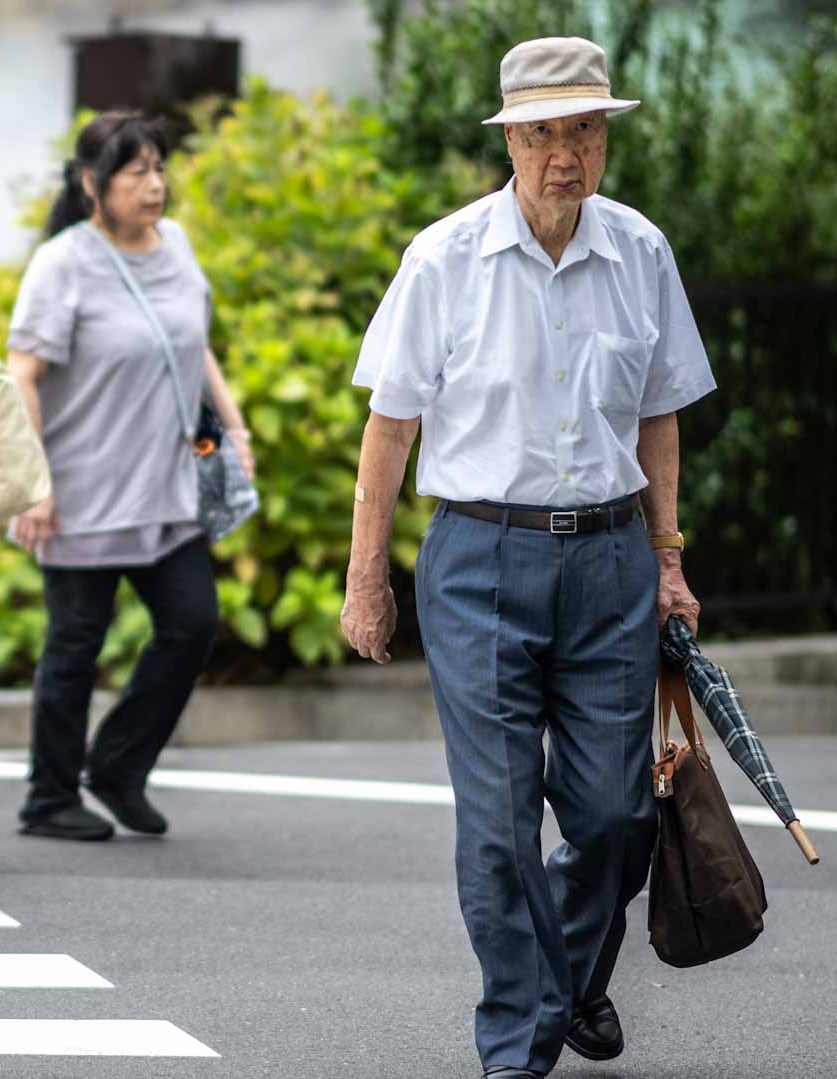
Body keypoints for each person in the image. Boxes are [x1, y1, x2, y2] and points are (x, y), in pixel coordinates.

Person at [340, 37, 715, 1079]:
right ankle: (521, 1035)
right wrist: (366, 575)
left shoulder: (640, 250)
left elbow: (658, 418)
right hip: (478, 559)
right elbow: (391, 425)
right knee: (501, 821)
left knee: (616, 815)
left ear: (606, 138)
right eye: (545, 132)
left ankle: (571, 977)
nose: (567, 153)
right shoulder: (445, 257)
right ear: (509, 138)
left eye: (586, 129)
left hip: (608, 562)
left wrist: (668, 558)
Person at [4, 111, 255, 842]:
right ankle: (49, 797)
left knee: (192, 623)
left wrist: (232, 429)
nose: (155, 185)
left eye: (159, 168)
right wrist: (35, 483)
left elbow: (194, 347)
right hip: (82, 491)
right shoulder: (62, 263)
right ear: (92, 184)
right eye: (136, 171)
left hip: (169, 484)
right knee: (75, 643)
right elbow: (22, 374)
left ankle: (115, 765)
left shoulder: (174, 245)